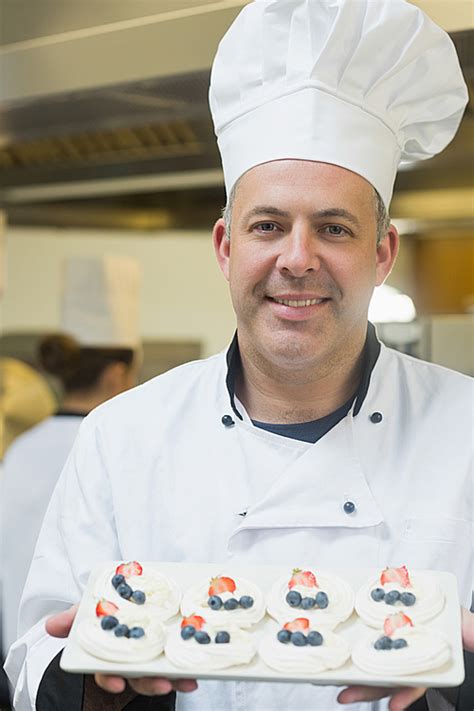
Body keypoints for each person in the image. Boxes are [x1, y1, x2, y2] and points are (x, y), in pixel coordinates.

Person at [5, 2, 473, 710]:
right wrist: (87, 685)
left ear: (382, 253)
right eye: (269, 224)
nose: (297, 258)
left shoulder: (468, 431)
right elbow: (36, 648)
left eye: (335, 227)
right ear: (227, 247)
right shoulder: (123, 436)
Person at [1, 256, 141, 657]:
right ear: (117, 375)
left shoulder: (21, 448)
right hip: (101, 656)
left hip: (18, 653)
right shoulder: (117, 447)